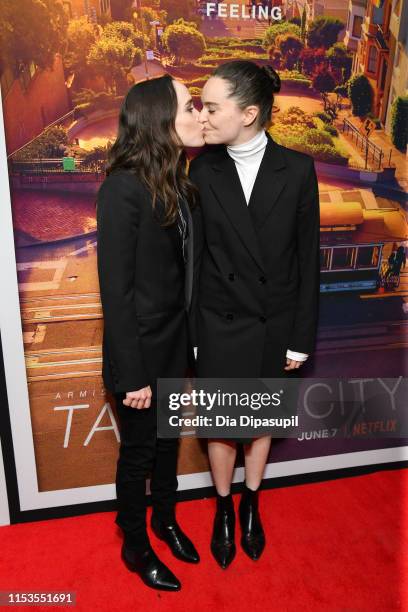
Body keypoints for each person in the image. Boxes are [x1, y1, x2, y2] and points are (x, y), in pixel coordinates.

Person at [188, 60, 320, 568]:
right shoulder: (202, 167)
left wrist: (299, 338)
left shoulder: (299, 169)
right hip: (220, 321)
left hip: (274, 322)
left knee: (259, 421)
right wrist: (196, 335)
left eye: (212, 106)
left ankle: (250, 503)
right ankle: (223, 506)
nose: (203, 114)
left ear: (248, 113)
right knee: (221, 423)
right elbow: (197, 260)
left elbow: (306, 261)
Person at [96, 75, 205, 591]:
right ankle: (136, 545)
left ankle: (166, 519)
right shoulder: (122, 187)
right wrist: (133, 375)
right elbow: (115, 293)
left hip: (172, 348)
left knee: (167, 444)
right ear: (161, 120)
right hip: (138, 356)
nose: (200, 114)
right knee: (138, 452)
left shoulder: (179, 181)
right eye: (191, 106)